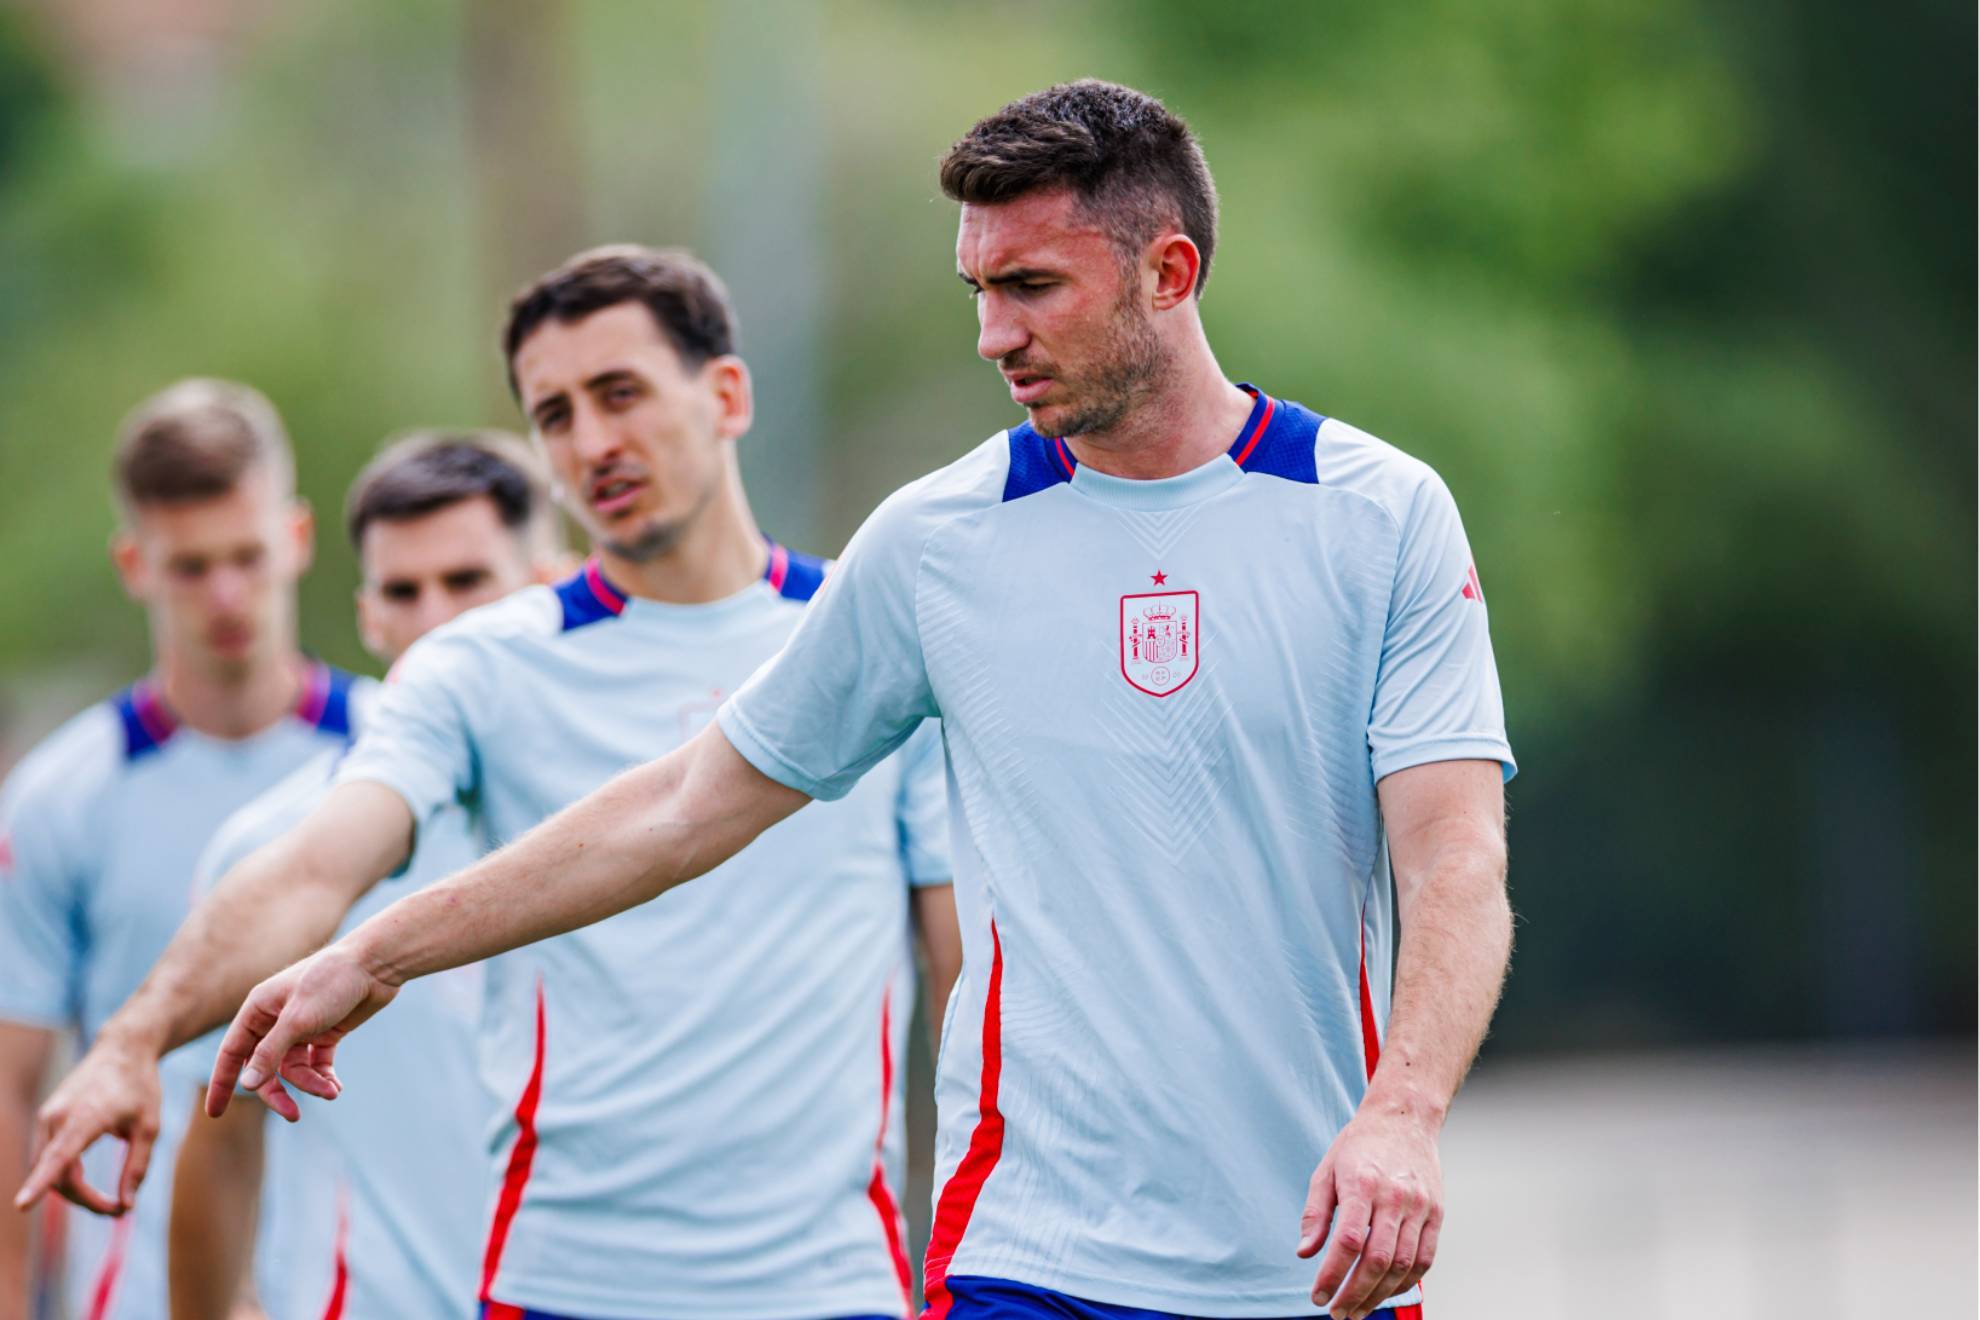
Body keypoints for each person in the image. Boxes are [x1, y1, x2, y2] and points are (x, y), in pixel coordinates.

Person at [212, 81, 1516, 1320]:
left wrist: (1402, 1112)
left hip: (1303, 1254)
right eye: (979, 291)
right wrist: (371, 955)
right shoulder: (939, 541)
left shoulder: (1377, 517)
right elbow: (681, 803)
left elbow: (1453, 855)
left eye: (1032, 287)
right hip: (1028, 1248)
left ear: (1168, 275)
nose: (993, 333)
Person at [17, 247, 961, 1320]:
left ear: (728, 395)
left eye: (620, 394)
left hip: (833, 1289)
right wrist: (132, 1042)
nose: (592, 441)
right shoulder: (480, 668)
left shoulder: (869, 642)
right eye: (553, 414)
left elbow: (968, 980)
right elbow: (313, 869)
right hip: (564, 1288)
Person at [167, 432, 559, 1319]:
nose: (434, 618)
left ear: (549, 586)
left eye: (466, 582)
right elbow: (222, 1140)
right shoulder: (270, 850)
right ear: (367, 615)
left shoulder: (646, 828)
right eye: (402, 591)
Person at [0, 379, 356, 1320]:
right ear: (134, 563)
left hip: (373, 1283)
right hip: (141, 1293)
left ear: (298, 538)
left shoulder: (394, 761)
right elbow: (9, 1085)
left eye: (245, 554)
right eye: (191, 566)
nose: (227, 593)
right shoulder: (61, 796)